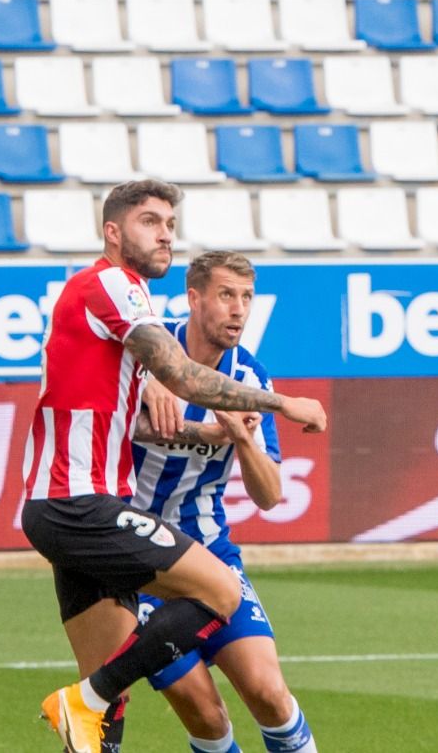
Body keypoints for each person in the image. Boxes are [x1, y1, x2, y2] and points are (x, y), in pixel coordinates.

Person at [23, 180, 327, 752]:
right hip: (84, 503)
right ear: (112, 233)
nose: (165, 233)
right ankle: (84, 698)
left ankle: (87, 705)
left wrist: (213, 432)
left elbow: (134, 411)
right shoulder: (112, 287)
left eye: (169, 223)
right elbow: (184, 376)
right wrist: (284, 403)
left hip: (82, 510)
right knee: (220, 595)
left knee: (100, 726)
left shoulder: (130, 320)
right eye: (149, 221)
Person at [131, 251, 316, 753]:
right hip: (139, 565)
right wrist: (147, 383)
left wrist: (241, 439)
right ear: (194, 298)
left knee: (269, 694)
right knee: (207, 716)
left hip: (212, 554)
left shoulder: (250, 380)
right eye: (226, 295)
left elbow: (271, 494)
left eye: (247, 298)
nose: (238, 309)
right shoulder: (145, 353)